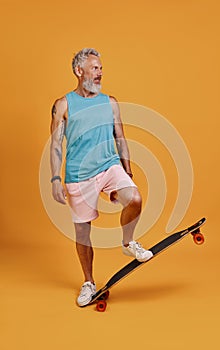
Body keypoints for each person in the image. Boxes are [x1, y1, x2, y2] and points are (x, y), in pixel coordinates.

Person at [50, 48, 152, 306]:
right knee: (83, 234)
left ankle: (128, 243)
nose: (100, 73)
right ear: (79, 71)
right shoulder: (63, 105)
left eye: (101, 68)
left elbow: (120, 137)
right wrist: (55, 179)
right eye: (95, 68)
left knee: (135, 199)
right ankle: (88, 282)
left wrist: (126, 170)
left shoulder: (110, 102)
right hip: (78, 176)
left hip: (109, 166)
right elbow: (55, 146)